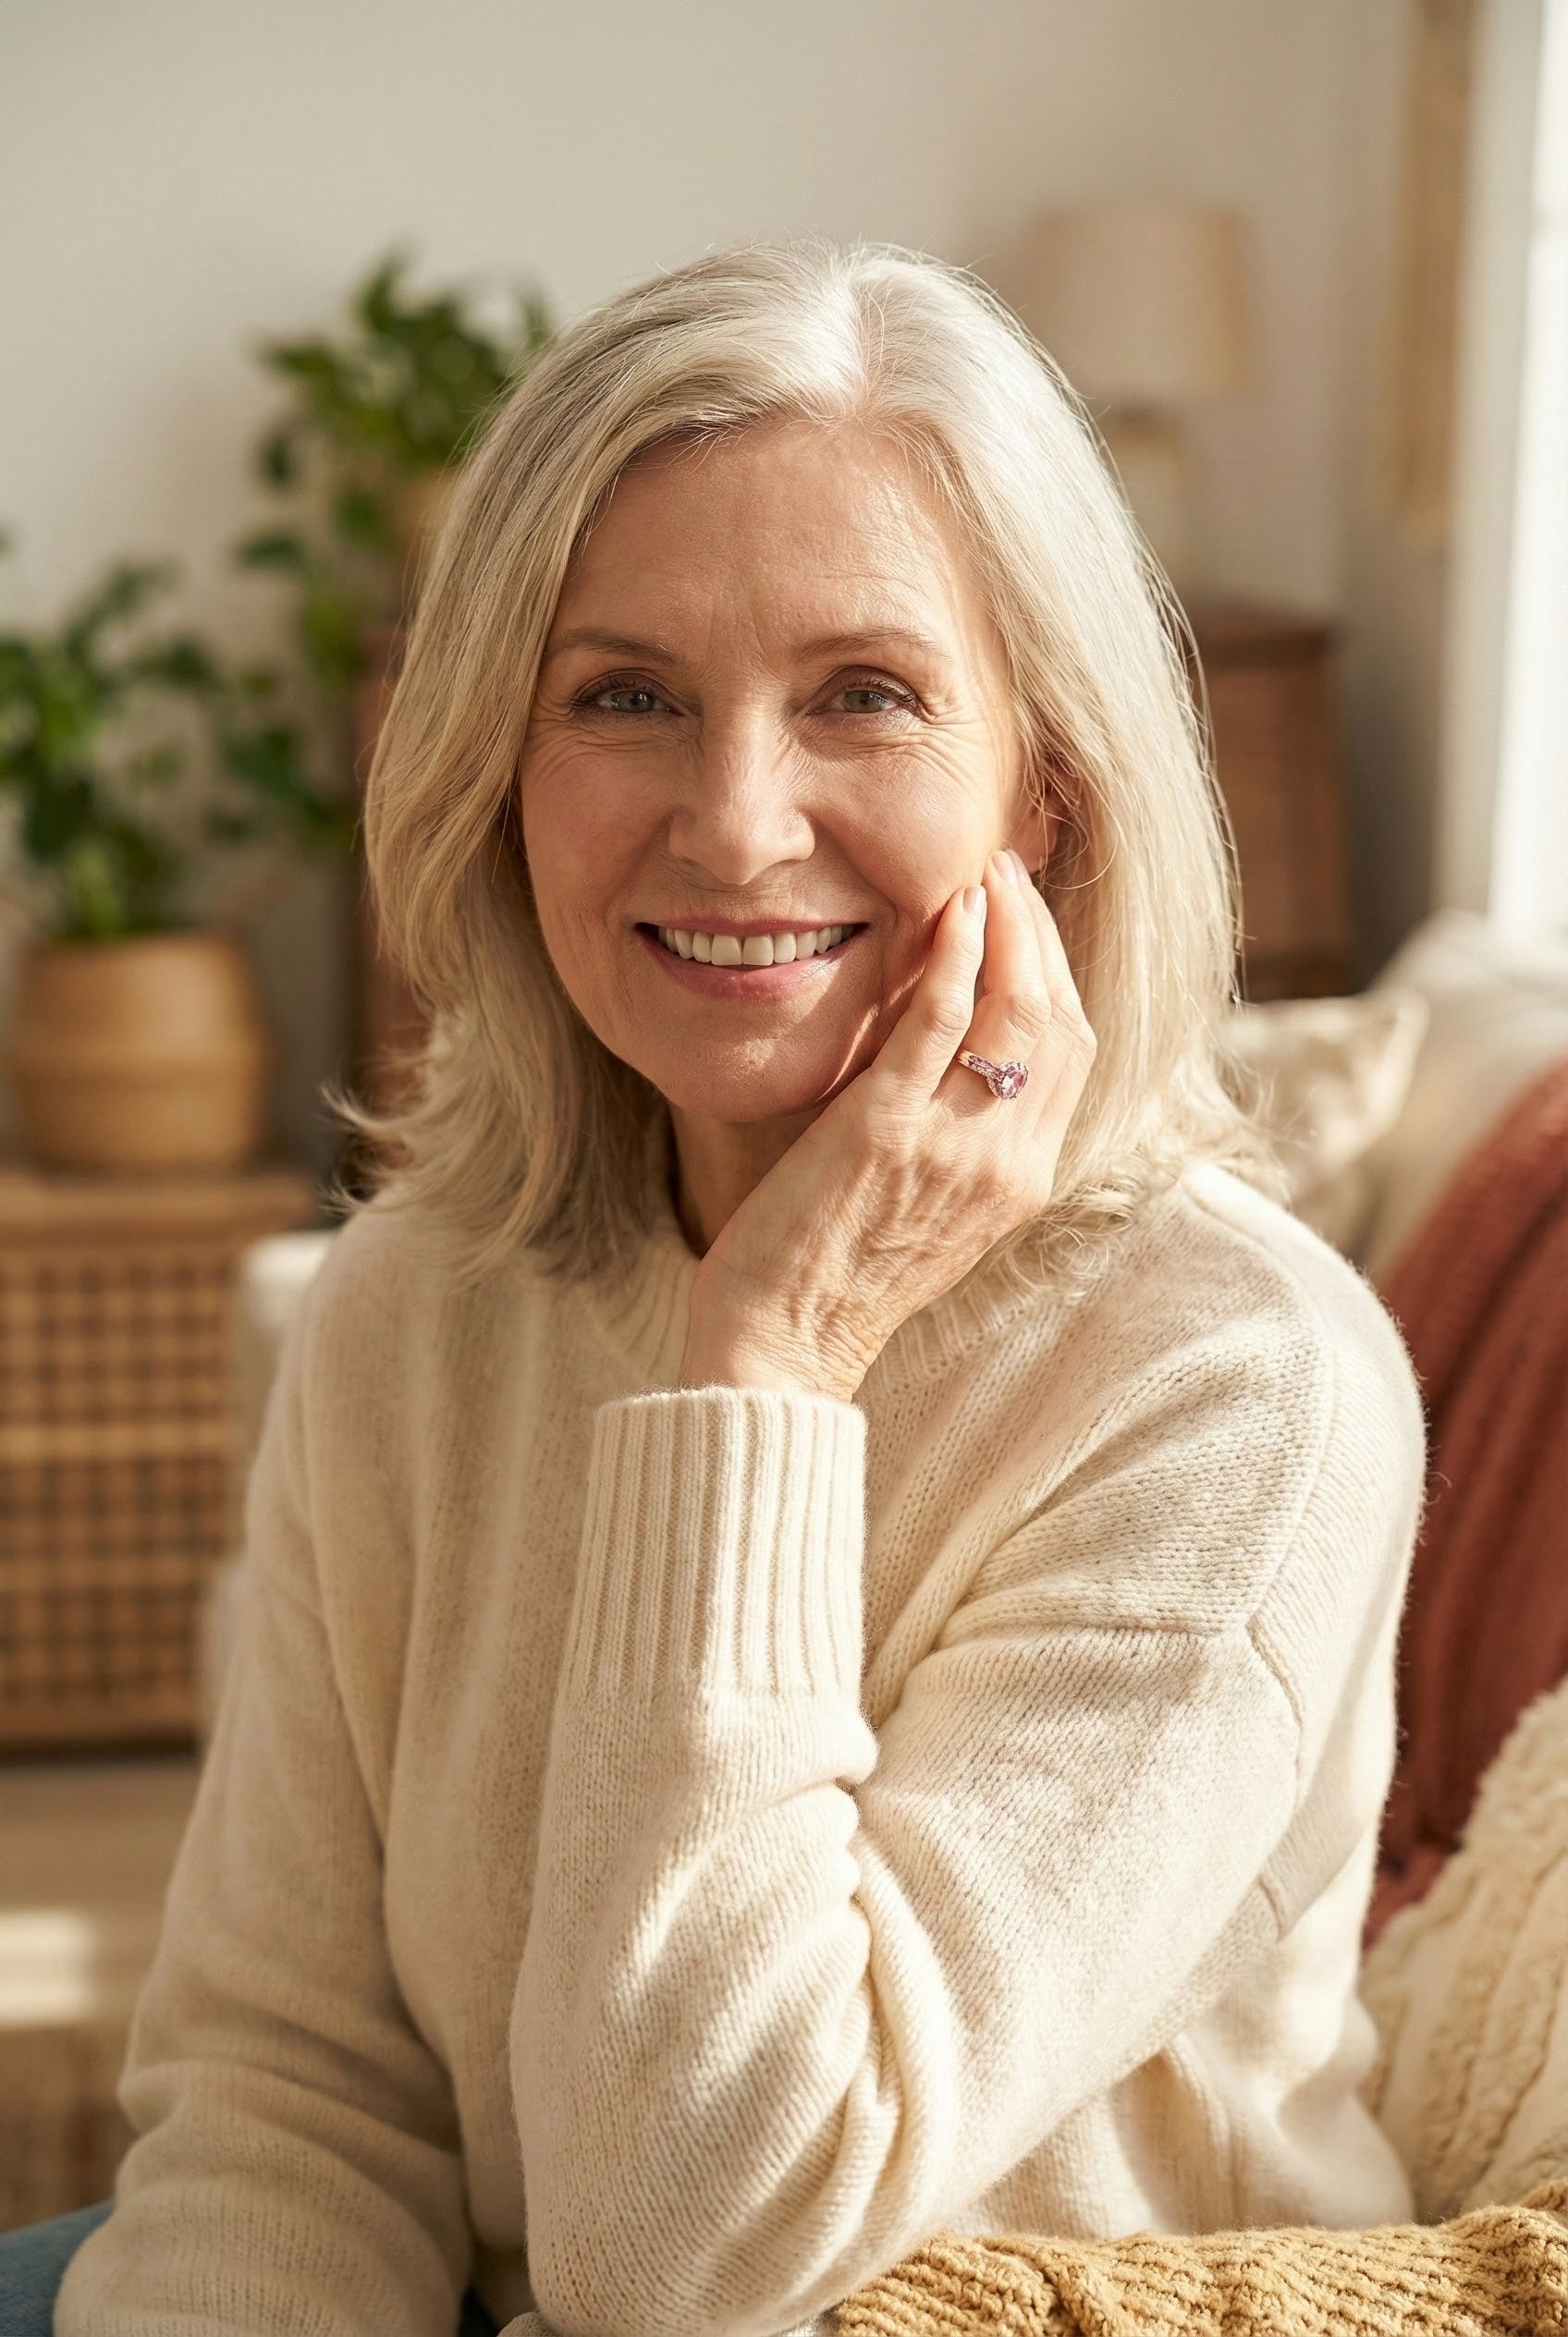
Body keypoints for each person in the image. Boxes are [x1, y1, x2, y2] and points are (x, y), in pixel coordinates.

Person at [35, 239, 1425, 2337]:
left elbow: (688, 2251)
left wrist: (767, 1364)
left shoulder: (1244, 1392)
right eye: (625, 697)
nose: (733, 819)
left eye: (861, 694)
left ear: (1042, 787)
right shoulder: (414, 1305)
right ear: (504, 772)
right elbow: (295, 2091)